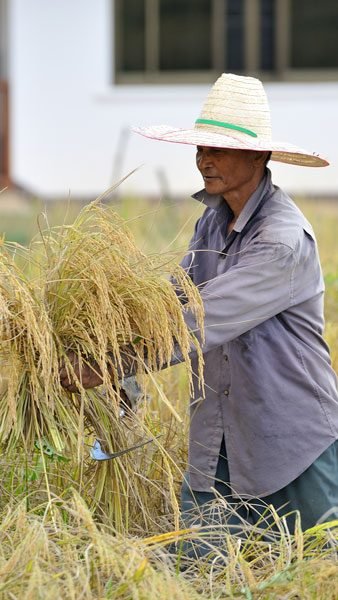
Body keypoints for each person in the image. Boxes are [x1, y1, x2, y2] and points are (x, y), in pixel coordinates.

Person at [61, 73, 338, 547]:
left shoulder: (281, 240)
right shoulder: (213, 220)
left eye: (218, 149)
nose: (204, 160)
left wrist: (111, 366)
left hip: (291, 442)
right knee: (201, 567)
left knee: (316, 566)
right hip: (219, 433)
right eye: (200, 150)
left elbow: (200, 320)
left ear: (257, 156)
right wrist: (97, 329)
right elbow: (175, 297)